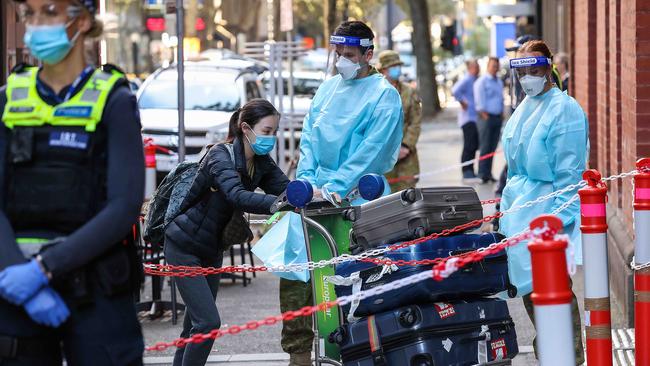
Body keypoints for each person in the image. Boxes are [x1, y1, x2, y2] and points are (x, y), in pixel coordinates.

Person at [0, 0, 145, 364]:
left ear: (81, 21)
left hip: (95, 288)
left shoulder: (115, 101)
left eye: (48, 11)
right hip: (17, 290)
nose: (35, 23)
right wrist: (19, 277)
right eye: (27, 13)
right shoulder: (9, 99)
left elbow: (125, 205)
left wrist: (44, 269)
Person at [281, 20, 403, 366]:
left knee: (358, 282)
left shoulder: (384, 95)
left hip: (358, 202)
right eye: (338, 53)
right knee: (299, 278)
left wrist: (337, 187)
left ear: (368, 54)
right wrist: (307, 181)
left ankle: (360, 353)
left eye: (349, 54)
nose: (342, 60)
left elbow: (372, 151)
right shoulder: (327, 89)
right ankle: (300, 355)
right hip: (314, 198)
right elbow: (309, 137)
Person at [164, 99, 289, 366]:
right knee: (208, 323)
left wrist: (312, 195)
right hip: (183, 245)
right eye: (267, 131)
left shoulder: (261, 162)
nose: (272, 138)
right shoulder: (219, 155)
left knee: (194, 328)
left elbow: (286, 189)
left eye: (274, 132)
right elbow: (236, 195)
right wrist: (277, 204)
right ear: (246, 128)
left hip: (212, 249)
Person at [500, 39, 587, 365]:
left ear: (548, 67)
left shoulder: (564, 110)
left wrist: (557, 224)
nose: (527, 77)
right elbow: (514, 167)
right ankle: (553, 357)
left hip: (544, 221)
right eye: (521, 70)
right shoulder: (526, 106)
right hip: (521, 217)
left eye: (533, 69)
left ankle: (569, 358)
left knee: (553, 298)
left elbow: (569, 177)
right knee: (533, 298)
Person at [378, 50, 423, 192]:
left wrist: (406, 146)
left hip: (406, 156)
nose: (397, 69)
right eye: (393, 66)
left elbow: (415, 121)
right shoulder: (375, 92)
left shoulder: (409, 91)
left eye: (398, 65)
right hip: (381, 156)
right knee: (383, 197)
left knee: (407, 195)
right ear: (384, 69)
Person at [474, 57, 504, 184]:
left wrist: (501, 113)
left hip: (497, 118)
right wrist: (484, 114)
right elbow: (479, 99)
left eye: (497, 66)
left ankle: (488, 173)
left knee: (492, 147)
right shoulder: (482, 81)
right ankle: (482, 174)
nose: (495, 68)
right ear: (488, 66)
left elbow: (500, 98)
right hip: (486, 118)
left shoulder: (499, 82)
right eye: (493, 66)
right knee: (485, 147)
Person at [452, 59, 481, 183]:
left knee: (474, 145)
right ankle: (466, 171)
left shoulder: (475, 79)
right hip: (467, 118)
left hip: (474, 117)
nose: (478, 68)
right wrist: (462, 102)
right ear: (470, 68)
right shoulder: (467, 79)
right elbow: (455, 90)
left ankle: (470, 170)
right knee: (469, 145)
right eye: (475, 66)